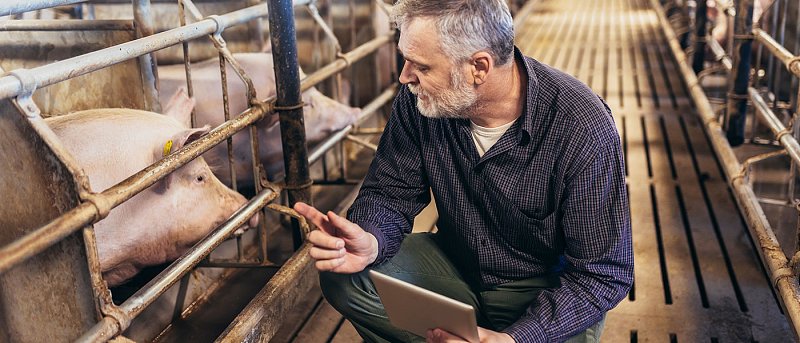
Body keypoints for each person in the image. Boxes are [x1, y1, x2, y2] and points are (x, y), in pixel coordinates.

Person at [293, 0, 633, 342]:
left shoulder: (581, 127)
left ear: (478, 68)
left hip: (541, 290)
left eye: (422, 66)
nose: (404, 76)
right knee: (347, 276)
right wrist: (370, 239)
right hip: (457, 265)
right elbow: (390, 191)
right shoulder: (420, 101)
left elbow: (603, 274)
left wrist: (515, 338)